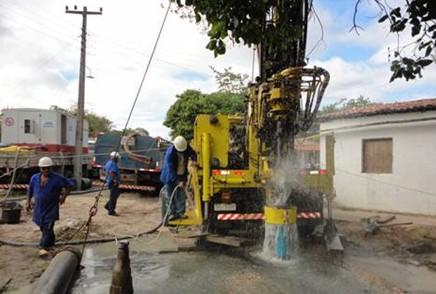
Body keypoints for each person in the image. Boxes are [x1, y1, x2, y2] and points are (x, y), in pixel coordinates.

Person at [26, 157, 75, 257]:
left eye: (48, 168)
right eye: (44, 168)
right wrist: (28, 202)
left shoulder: (57, 179)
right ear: (40, 168)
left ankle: (42, 247)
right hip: (39, 209)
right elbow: (30, 190)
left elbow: (70, 185)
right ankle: (51, 244)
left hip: (51, 208)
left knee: (48, 228)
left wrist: (63, 197)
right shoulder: (34, 178)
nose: (46, 170)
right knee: (43, 227)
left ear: (51, 168)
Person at [160, 135, 197, 221]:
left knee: (181, 194)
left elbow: (193, 153)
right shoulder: (170, 154)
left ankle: (180, 213)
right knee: (171, 195)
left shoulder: (185, 147)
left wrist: (194, 160)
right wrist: (177, 181)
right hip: (170, 177)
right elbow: (171, 170)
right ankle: (172, 213)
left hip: (182, 174)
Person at [104, 151, 121, 216]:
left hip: (109, 181)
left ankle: (108, 206)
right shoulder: (113, 164)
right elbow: (112, 172)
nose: (118, 159)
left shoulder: (109, 163)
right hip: (112, 182)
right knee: (113, 197)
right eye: (117, 158)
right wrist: (115, 180)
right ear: (115, 158)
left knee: (115, 195)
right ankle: (111, 211)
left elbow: (105, 170)